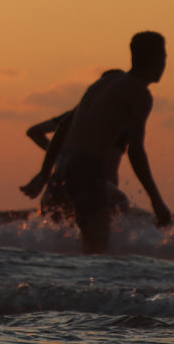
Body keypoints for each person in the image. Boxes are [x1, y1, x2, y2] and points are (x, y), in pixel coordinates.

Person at [20, 32, 170, 252]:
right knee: (96, 254)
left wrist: (45, 173)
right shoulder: (140, 93)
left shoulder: (104, 83)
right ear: (156, 59)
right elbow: (136, 152)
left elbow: (63, 127)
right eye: (164, 56)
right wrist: (157, 201)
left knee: (74, 247)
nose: (165, 63)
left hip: (62, 168)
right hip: (86, 171)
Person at [20, 106, 130, 222]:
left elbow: (34, 132)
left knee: (52, 234)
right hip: (88, 189)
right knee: (121, 204)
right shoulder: (118, 118)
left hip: (56, 186)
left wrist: (59, 156)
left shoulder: (79, 113)